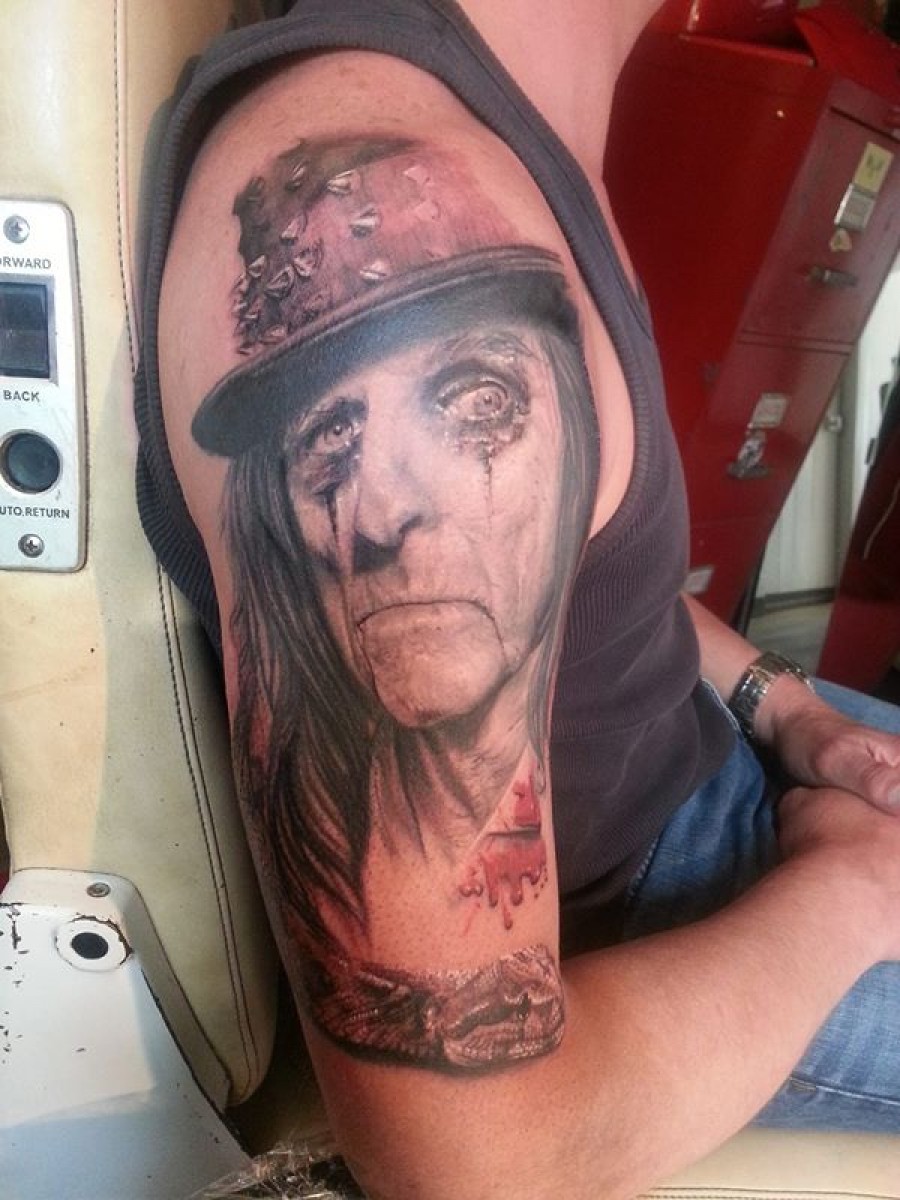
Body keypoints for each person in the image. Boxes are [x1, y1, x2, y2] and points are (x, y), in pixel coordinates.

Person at [135, 1, 900, 1195]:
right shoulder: (392, 173)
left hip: (723, 758)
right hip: (660, 918)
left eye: (476, 403)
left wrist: (783, 705)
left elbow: (585, 582)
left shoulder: (504, 117)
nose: (381, 511)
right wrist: (853, 890)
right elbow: (479, 1161)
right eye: (331, 434)